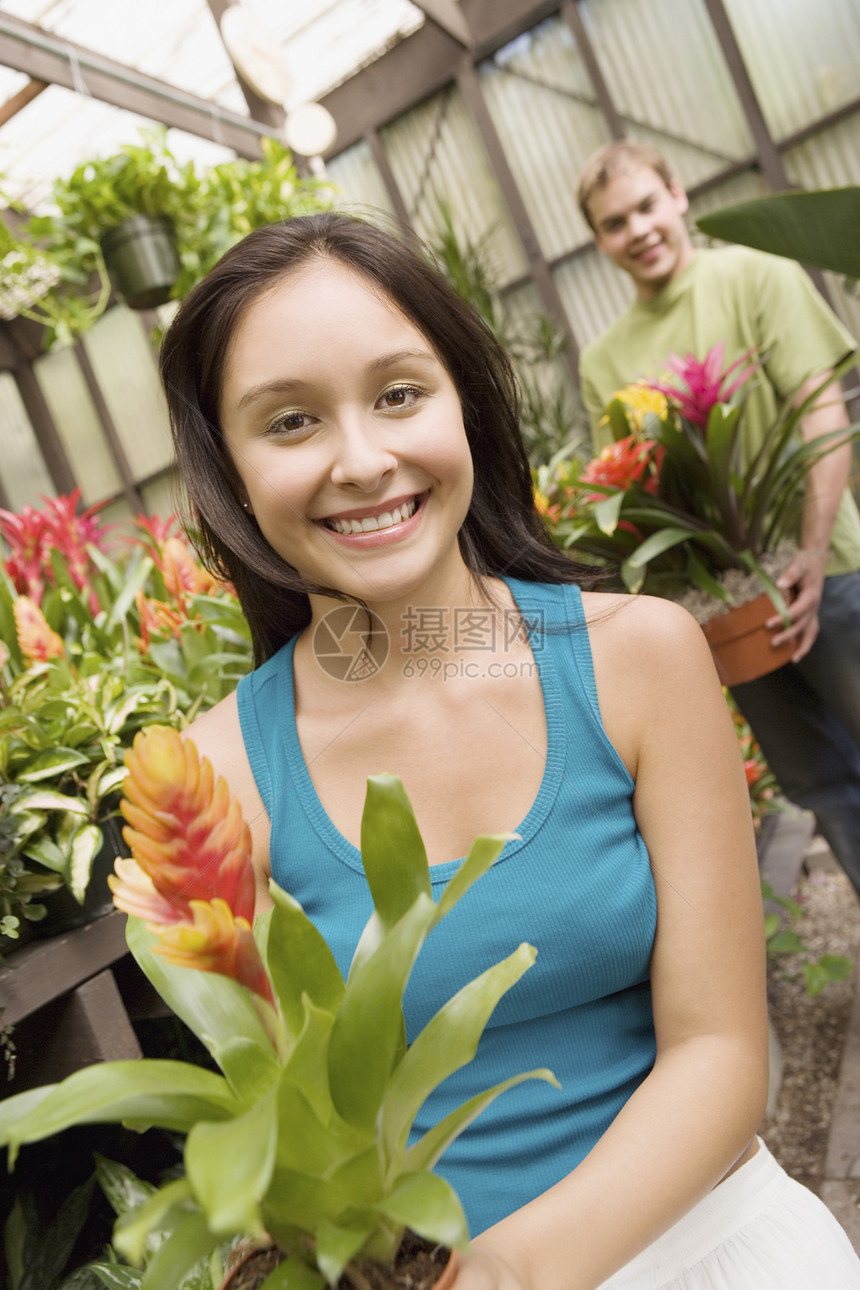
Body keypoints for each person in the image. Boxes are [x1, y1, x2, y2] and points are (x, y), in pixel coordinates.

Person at [158, 212, 860, 1289]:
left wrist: (506, 1274)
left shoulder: (637, 661)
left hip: (717, 1244)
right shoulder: (210, 783)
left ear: (466, 406)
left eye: (399, 394)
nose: (363, 459)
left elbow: (721, 1057)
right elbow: (289, 1150)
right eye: (290, 422)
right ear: (228, 469)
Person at [577, 140, 860, 895]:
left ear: (678, 196)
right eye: (614, 223)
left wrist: (807, 551)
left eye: (645, 206)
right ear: (599, 243)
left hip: (826, 571)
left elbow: (822, 414)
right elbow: (636, 496)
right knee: (818, 782)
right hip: (725, 608)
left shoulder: (757, 274)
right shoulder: (603, 361)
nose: (637, 230)